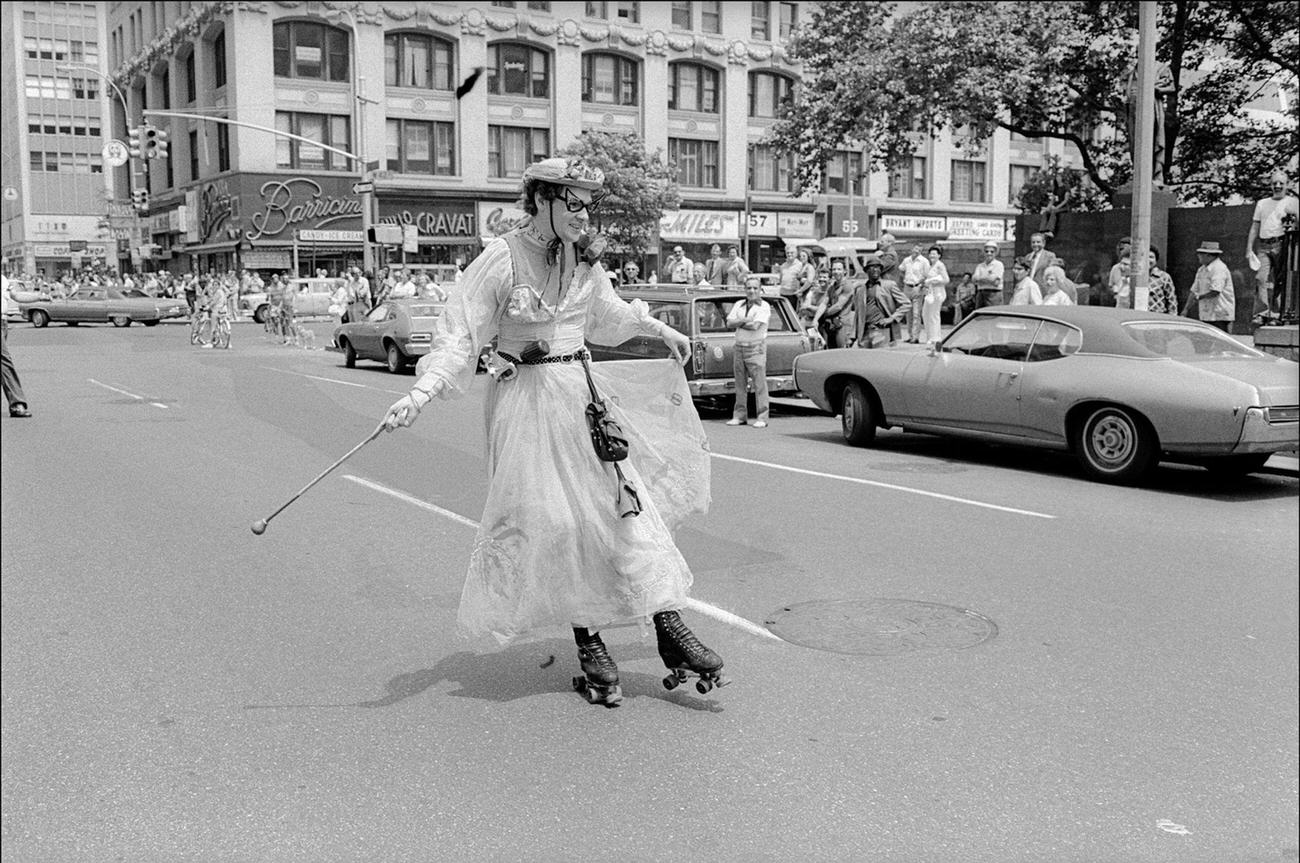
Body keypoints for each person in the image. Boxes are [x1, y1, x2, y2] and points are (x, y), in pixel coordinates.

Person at [380, 157, 724, 708]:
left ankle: (669, 628)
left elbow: (606, 316)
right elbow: (460, 334)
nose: (584, 214)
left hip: (582, 396)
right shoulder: (501, 257)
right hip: (527, 403)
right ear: (542, 200)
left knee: (625, 511)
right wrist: (421, 393)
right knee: (557, 524)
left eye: (589, 203)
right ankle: (589, 640)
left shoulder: (584, 259)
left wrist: (660, 329)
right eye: (574, 201)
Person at [1246, 171, 1298, 320]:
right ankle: (1261, 313)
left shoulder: (1292, 202)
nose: (1277, 186)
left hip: (1282, 244)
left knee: (1280, 280)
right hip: (1263, 245)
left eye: (1281, 183)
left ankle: (1276, 314)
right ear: (1270, 185)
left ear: (1287, 185)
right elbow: (1255, 226)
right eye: (1274, 183)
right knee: (1260, 278)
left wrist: (1295, 213)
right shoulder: (1262, 203)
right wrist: (1249, 248)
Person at [725, 275, 770, 429]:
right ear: (745, 289)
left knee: (759, 384)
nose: (751, 291)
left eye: (755, 288)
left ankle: (762, 417)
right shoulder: (739, 304)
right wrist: (744, 320)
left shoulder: (764, 306)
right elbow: (729, 322)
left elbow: (755, 326)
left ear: (760, 290)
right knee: (740, 384)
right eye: (749, 288)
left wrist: (738, 323)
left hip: (755, 347)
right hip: (739, 347)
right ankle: (739, 415)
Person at [852, 256, 909, 348]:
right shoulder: (861, 290)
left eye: (878, 267)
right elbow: (858, 314)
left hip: (881, 331)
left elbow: (906, 303)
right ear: (866, 270)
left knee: (880, 359)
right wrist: (852, 337)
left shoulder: (889, 285)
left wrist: (892, 318)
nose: (875, 269)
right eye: (872, 267)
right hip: (865, 332)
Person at [1, 273, 32, 418]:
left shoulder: (3, 279)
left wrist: (39, 297)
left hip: (3, 323)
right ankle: (17, 403)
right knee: (5, 361)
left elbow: (16, 296)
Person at [1189, 240, 1234, 331]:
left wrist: (1199, 297)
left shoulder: (1219, 268)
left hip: (1219, 315)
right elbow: (1194, 290)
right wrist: (1186, 309)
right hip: (1206, 314)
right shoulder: (1201, 270)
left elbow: (1215, 291)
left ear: (1208, 255)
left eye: (1201, 254)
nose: (1198, 256)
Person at [899, 242, 930, 343]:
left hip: (917, 287)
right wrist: (903, 281)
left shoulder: (924, 261)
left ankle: (916, 336)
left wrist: (920, 286)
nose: (917, 251)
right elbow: (901, 270)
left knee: (916, 313)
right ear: (912, 248)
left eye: (920, 250)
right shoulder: (906, 260)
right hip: (907, 287)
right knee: (908, 313)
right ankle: (910, 335)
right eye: (916, 248)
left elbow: (927, 275)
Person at [820, 261, 853, 349]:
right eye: (834, 269)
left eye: (839, 269)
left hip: (842, 325)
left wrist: (824, 314)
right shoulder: (832, 287)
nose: (836, 271)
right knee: (830, 352)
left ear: (845, 271)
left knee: (842, 353)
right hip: (831, 324)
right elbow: (824, 303)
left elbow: (838, 306)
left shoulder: (847, 285)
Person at [921, 245, 950, 345]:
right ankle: (930, 336)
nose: (932, 255)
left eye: (934, 254)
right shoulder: (931, 265)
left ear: (939, 255)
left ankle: (935, 338)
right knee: (925, 314)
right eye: (930, 253)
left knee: (933, 315)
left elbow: (946, 280)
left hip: (937, 293)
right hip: (930, 293)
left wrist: (932, 282)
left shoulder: (940, 265)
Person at [972, 241, 1005, 310]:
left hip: (994, 294)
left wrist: (981, 279)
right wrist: (988, 278)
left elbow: (995, 282)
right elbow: (974, 280)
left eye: (992, 251)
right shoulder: (980, 266)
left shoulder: (998, 265)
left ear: (995, 253)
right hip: (980, 294)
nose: (989, 253)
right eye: (986, 251)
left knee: (993, 315)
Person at [1145, 247, 1178, 315]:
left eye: (1151, 257)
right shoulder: (1135, 277)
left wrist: (1172, 317)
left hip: (1157, 316)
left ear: (1156, 260)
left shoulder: (1164, 277)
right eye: (1145, 256)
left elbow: (1171, 300)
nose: (1148, 260)